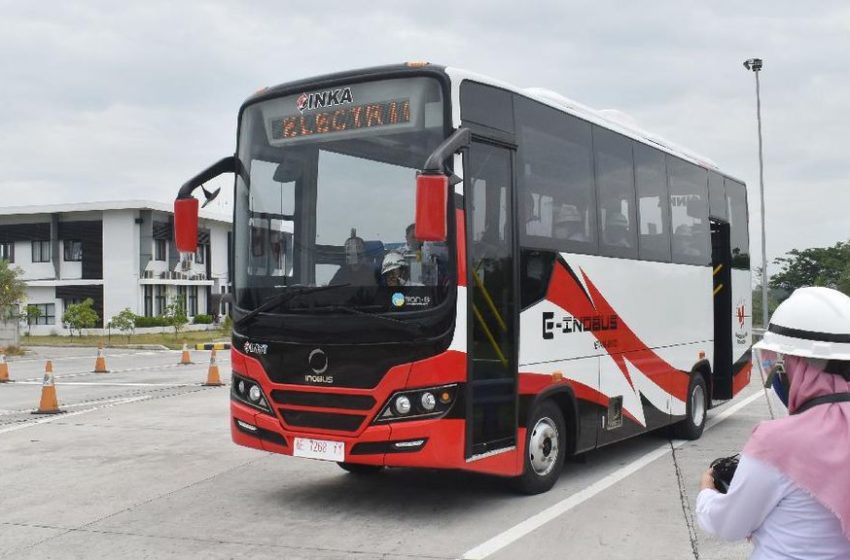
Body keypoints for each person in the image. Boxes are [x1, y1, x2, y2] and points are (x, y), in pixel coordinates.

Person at [696, 286, 850, 559]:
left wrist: (707, 491)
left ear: (796, 364)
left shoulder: (777, 442)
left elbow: (730, 525)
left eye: (781, 362)